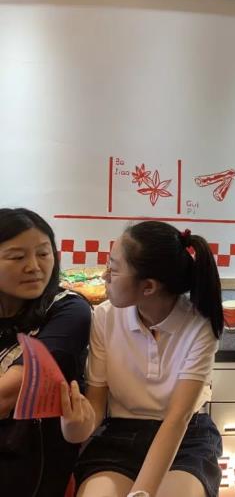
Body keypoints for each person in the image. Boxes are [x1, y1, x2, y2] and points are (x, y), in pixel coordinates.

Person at [60, 221, 223, 497]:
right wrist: (77, 427)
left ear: (148, 287)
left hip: (185, 438)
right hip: (120, 434)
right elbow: (97, 403)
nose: (104, 275)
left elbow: (177, 419)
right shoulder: (104, 317)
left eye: (113, 269)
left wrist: (141, 493)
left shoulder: (199, 326)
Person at [0, 207, 92, 496]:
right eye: (17, 257)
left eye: (43, 253)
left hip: (29, 466)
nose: (34, 267)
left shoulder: (69, 310)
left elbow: (7, 394)